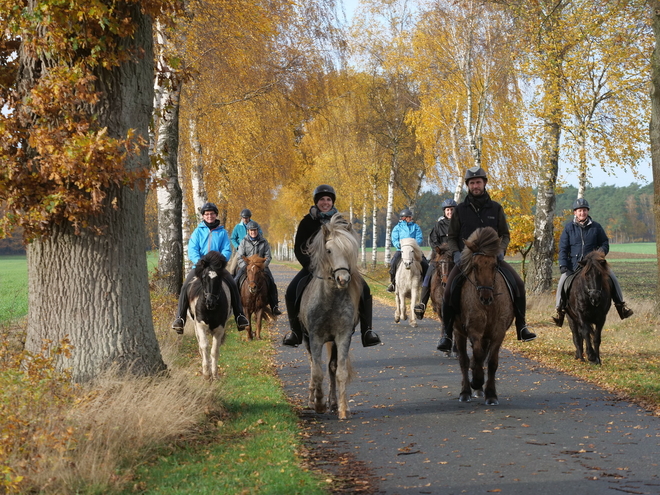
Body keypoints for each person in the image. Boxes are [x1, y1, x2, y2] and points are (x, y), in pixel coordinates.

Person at [436, 167, 537, 352]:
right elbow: (452, 237)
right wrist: (457, 254)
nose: (476, 186)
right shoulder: (460, 210)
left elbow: (505, 234)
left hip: (492, 259)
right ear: (468, 185)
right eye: (472, 183)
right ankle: (447, 334)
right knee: (450, 289)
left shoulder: (496, 208)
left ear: (484, 184)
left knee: (518, 284)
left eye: (478, 182)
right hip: (467, 260)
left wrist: (500, 250)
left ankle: (521, 326)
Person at [282, 185, 382, 348]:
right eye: (322, 199)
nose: (325, 202)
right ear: (316, 202)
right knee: (291, 290)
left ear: (332, 202)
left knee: (365, 289)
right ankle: (295, 332)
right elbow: (298, 248)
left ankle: (367, 331)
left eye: (328, 199)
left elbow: (350, 246)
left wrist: (348, 265)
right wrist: (310, 266)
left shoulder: (341, 222)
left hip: (340, 267)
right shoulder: (306, 222)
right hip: (314, 269)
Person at [552, 198, 633, 326]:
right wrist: (563, 264)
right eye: (579, 211)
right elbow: (563, 248)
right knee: (562, 282)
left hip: (594, 264)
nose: (582, 213)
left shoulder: (596, 227)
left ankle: (621, 306)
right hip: (575, 265)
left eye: (584, 210)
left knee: (613, 278)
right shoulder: (568, 228)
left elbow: (604, 243)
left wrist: (600, 253)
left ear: (587, 211)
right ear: (575, 213)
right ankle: (559, 311)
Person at [172, 202, 249, 333]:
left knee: (232, 284)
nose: (209, 216)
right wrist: (200, 262)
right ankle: (180, 318)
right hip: (201, 267)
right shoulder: (197, 232)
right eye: (206, 214)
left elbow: (226, 249)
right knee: (185, 286)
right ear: (203, 216)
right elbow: (193, 250)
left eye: (212, 214)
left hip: (217, 267)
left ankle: (239, 316)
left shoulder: (222, 232)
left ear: (216, 215)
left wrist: (219, 262)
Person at [414, 198, 457, 319]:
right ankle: (422, 304)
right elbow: (433, 240)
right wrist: (439, 250)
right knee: (428, 276)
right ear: (444, 211)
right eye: (448, 210)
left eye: (452, 209)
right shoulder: (439, 225)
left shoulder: (461, 224)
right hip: (440, 256)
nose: (450, 212)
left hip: (456, 256)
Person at [234, 220, 282, 316]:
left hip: (260, 267)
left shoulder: (264, 241)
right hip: (247, 266)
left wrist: (263, 266)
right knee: (235, 281)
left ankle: (274, 305)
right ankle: (234, 305)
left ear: (257, 230)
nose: (253, 232)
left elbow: (268, 256)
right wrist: (245, 266)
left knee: (271, 281)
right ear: (248, 231)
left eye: (255, 230)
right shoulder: (243, 242)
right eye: (251, 230)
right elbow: (240, 257)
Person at [386, 209, 429, 293]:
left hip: (414, 249)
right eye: (409, 217)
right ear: (404, 218)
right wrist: (400, 245)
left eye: (411, 217)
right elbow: (394, 239)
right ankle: (393, 283)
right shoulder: (397, 228)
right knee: (393, 263)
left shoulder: (415, 226)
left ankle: (425, 283)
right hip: (401, 250)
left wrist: (413, 245)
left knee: (425, 263)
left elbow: (419, 238)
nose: (411, 218)